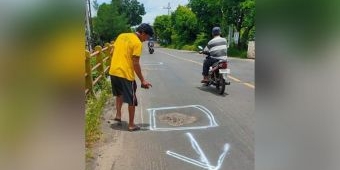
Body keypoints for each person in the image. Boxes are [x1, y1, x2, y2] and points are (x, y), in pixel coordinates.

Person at [109, 23, 154, 131]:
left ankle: (118, 116)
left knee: (119, 94)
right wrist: (142, 80)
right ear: (142, 33)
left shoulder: (121, 36)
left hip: (114, 71)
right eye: (147, 37)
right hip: (125, 74)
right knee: (132, 100)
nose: (146, 40)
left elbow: (111, 52)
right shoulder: (137, 43)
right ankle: (131, 124)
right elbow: (135, 63)